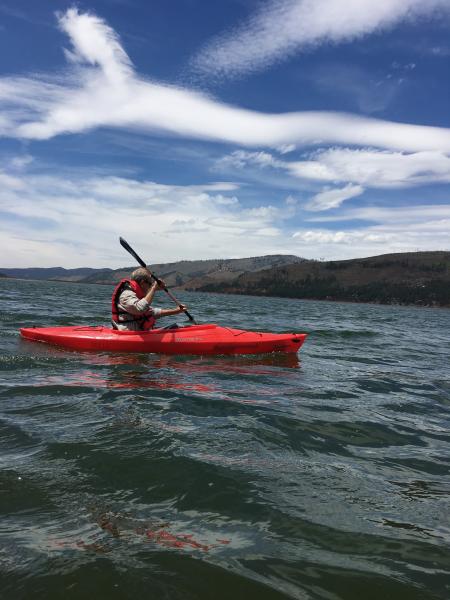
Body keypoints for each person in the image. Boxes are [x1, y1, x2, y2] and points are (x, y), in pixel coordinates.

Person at [111, 267, 187, 331]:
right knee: (176, 327)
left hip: (140, 332)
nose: (150, 286)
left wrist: (176, 311)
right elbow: (139, 309)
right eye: (150, 283)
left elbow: (151, 312)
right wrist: (154, 288)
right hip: (128, 335)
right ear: (143, 283)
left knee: (177, 327)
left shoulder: (137, 294)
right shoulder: (126, 294)